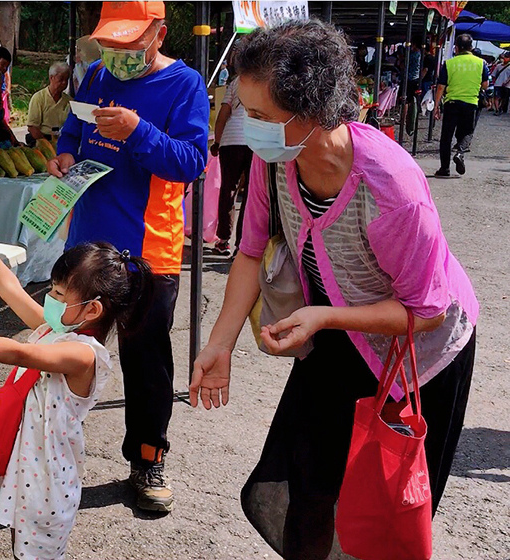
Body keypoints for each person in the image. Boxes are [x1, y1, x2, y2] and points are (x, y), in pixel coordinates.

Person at [190, 21, 477, 560]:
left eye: (262, 117)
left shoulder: (390, 188)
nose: (249, 129)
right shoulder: (274, 164)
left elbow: (428, 310)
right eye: (246, 112)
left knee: (382, 507)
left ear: (316, 110)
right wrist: (219, 344)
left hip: (422, 354)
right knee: (309, 487)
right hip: (339, 332)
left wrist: (326, 317)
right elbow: (250, 252)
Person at [47, 0, 209, 514]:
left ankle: (146, 460)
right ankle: (39, 453)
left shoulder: (184, 85)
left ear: (158, 34)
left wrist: (138, 130)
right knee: (56, 352)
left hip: (148, 251)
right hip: (88, 244)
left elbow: (191, 162)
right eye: (109, 44)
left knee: (146, 367)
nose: (116, 55)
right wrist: (65, 155)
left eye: (128, 44)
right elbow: (72, 131)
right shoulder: (94, 74)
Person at [0, 224, 151, 560]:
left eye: (60, 295)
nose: (50, 299)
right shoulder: (54, 328)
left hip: (49, 480)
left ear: (92, 310)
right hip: (27, 465)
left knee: (38, 552)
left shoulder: (83, 355)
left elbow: (21, 353)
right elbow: (11, 289)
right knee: (21, 543)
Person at [432, 33, 489, 178]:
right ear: (471, 47)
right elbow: (485, 85)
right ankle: (460, 152)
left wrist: (436, 106)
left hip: (451, 103)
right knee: (467, 132)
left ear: (456, 48)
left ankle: (444, 169)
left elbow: (440, 87)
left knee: (446, 136)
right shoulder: (481, 63)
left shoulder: (449, 63)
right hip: (470, 103)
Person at [210, 72, 252, 257]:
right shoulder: (265, 78)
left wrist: (217, 142)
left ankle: (223, 240)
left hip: (231, 140)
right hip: (256, 141)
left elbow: (223, 114)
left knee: (228, 189)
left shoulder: (236, 82)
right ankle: (242, 245)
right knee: (252, 194)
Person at [26, 62, 72, 147]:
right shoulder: (39, 98)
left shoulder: (69, 100)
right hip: (42, 138)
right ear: (51, 78)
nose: (64, 83)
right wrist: (46, 144)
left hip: (62, 138)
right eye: (61, 79)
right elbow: (32, 127)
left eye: (66, 80)